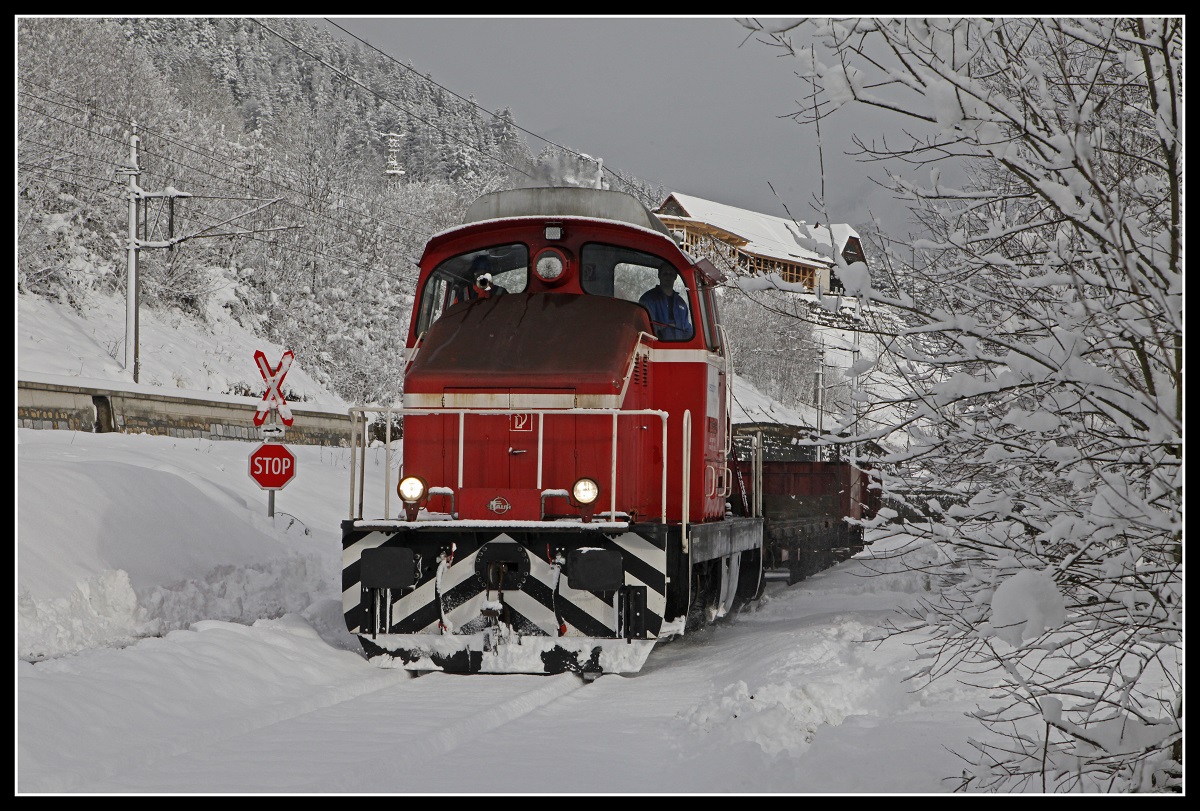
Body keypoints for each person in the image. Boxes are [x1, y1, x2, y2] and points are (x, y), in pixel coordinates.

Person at [638, 266, 692, 340]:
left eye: (671, 274)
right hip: (656, 345)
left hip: (679, 346)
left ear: (675, 277)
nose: (668, 277)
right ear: (659, 275)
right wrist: (667, 327)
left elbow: (687, 329)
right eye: (665, 274)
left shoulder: (681, 303)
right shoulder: (648, 299)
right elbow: (645, 326)